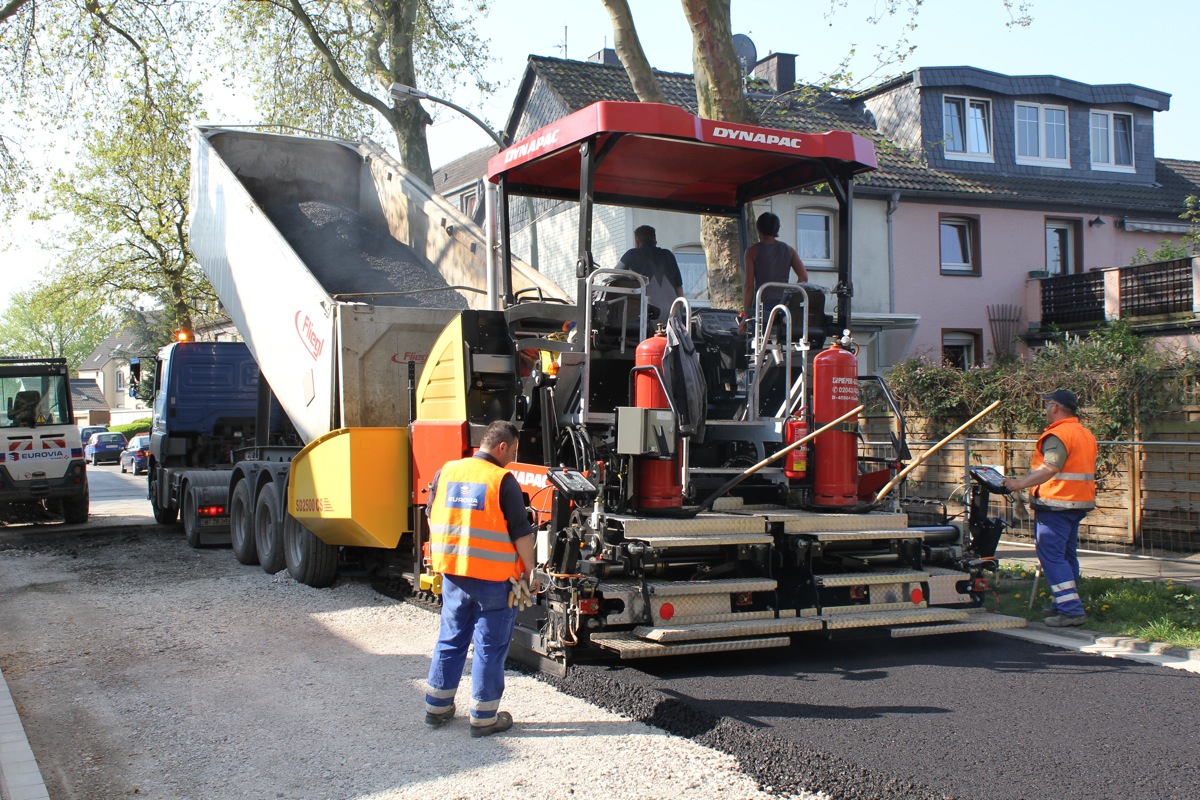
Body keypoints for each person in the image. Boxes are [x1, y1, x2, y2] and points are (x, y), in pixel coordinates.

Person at [424, 420, 535, 737]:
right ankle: (484, 718)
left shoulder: (447, 471)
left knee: (451, 638)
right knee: (489, 646)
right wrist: (530, 572)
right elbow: (521, 534)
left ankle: (437, 707)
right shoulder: (502, 481)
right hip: (494, 581)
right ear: (502, 446)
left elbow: (432, 515)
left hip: (455, 575)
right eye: (513, 451)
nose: (512, 458)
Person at [1002, 389, 1098, 628]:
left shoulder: (1058, 434)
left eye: (1047, 405)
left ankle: (1071, 610)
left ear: (1055, 407)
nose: (1045, 410)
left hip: (1056, 503)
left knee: (1052, 556)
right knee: (1066, 556)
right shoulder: (1084, 433)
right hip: (1077, 502)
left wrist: (1019, 484)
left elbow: (1050, 468)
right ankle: (1062, 603)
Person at [740, 212, 809, 335]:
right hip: (785, 305)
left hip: (763, 306)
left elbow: (749, 286)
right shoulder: (789, 250)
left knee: (760, 342)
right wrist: (791, 296)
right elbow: (803, 277)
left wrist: (745, 317)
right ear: (777, 228)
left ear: (758, 228)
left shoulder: (752, 251)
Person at [616, 225, 685, 319]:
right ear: (655, 241)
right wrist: (680, 314)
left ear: (637, 242)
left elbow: (613, 277)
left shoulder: (631, 254)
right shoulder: (668, 255)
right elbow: (679, 288)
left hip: (649, 316)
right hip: (673, 316)